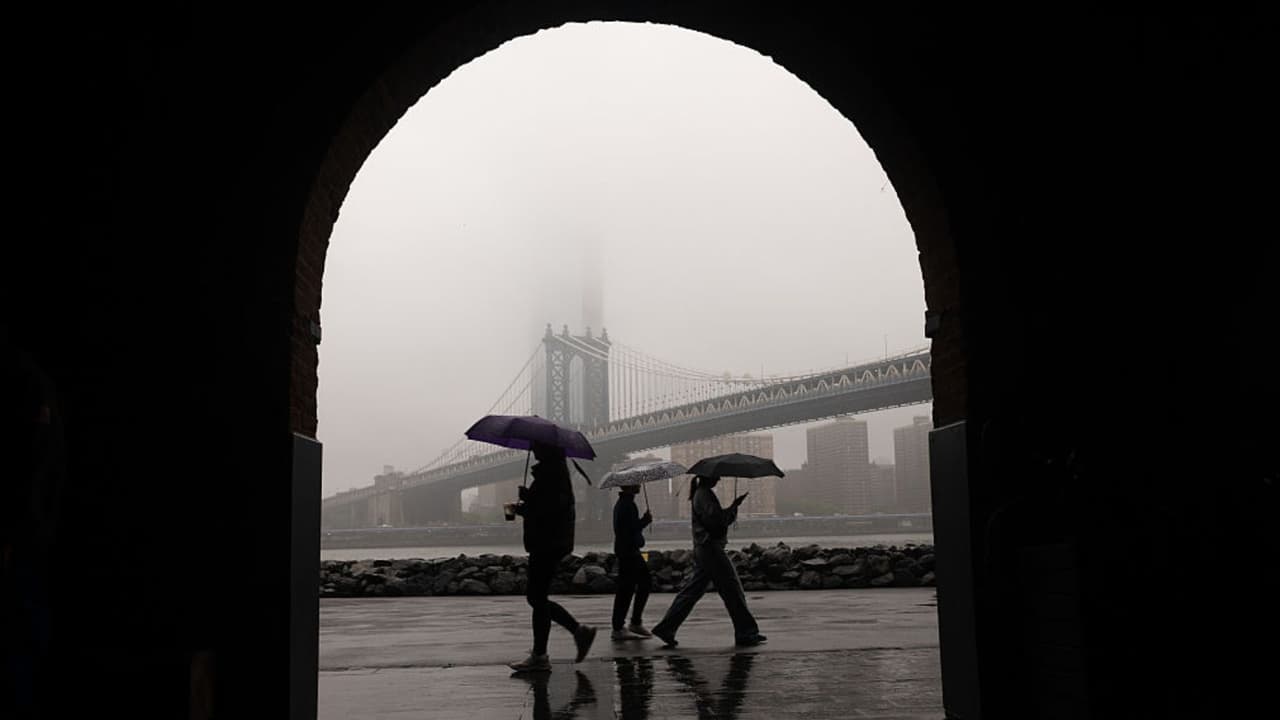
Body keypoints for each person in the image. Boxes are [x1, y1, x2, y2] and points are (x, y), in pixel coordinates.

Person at [509, 443, 597, 672]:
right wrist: (528, 500)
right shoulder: (554, 474)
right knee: (537, 598)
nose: (534, 449)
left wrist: (525, 502)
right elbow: (549, 507)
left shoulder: (551, 475)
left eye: (537, 445)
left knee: (536, 598)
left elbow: (548, 511)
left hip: (546, 543)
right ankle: (547, 650)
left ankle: (564, 641)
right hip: (550, 542)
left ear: (548, 451)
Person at [650, 475, 766, 648]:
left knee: (692, 591)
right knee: (732, 589)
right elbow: (717, 522)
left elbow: (716, 519)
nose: (718, 479)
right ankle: (746, 633)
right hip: (711, 549)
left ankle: (666, 628)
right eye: (716, 476)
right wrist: (734, 508)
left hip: (704, 548)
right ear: (708, 477)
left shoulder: (701, 494)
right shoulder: (704, 495)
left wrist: (733, 507)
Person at [610, 484, 653, 640]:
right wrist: (645, 521)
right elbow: (628, 530)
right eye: (636, 482)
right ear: (629, 485)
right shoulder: (627, 505)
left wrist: (642, 522)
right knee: (628, 588)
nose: (639, 485)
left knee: (636, 585)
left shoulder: (625, 503)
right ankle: (621, 626)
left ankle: (630, 623)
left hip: (628, 551)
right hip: (629, 552)